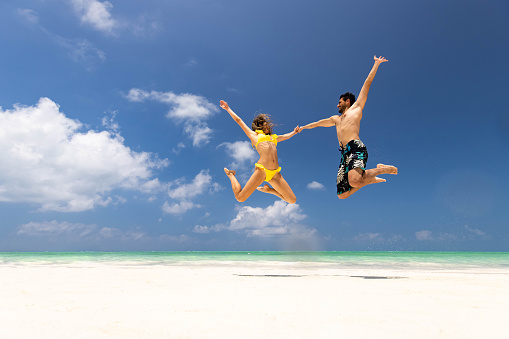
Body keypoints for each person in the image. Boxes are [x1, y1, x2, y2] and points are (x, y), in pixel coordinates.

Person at [298, 55, 397, 199]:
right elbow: (319, 123)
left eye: (339, 102)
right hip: (344, 154)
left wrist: (376, 64)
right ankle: (367, 180)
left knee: (355, 181)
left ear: (347, 101)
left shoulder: (356, 108)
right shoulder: (336, 119)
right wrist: (303, 127)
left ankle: (381, 170)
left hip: (355, 147)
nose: (337, 105)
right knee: (342, 194)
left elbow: (367, 83)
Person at [220, 100, 299, 204]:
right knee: (240, 198)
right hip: (262, 170)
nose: (268, 126)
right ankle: (231, 174)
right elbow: (239, 120)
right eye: (266, 124)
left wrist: (294, 132)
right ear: (260, 126)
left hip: (275, 173)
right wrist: (228, 109)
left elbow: (286, 136)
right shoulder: (254, 136)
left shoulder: (273, 138)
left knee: (292, 200)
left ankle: (270, 191)